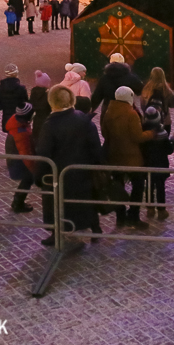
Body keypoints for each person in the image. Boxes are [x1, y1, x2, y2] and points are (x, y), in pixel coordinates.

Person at [35, 85, 104, 246]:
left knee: (56, 203)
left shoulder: (50, 125)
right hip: (82, 171)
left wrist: (39, 176)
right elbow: (95, 146)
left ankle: (56, 232)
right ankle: (95, 229)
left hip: (59, 174)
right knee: (86, 201)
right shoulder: (83, 120)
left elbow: (44, 154)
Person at [101, 86, 154, 229]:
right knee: (137, 187)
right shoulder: (131, 114)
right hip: (132, 157)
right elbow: (137, 137)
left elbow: (105, 134)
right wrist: (151, 134)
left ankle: (120, 216)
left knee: (118, 187)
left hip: (115, 155)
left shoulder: (108, 112)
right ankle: (134, 216)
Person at [140, 106, 174, 220]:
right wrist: (172, 142)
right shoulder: (162, 132)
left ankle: (150, 209)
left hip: (147, 163)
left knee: (149, 186)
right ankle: (161, 210)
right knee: (160, 187)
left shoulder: (143, 132)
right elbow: (169, 150)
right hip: (161, 164)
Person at [5, 102, 36, 213]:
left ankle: (17, 202)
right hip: (19, 161)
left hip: (16, 157)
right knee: (27, 179)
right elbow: (25, 153)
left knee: (26, 180)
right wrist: (34, 169)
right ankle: (17, 203)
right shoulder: (20, 132)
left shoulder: (17, 122)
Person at [91, 52, 143, 117]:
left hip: (108, 111)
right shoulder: (130, 77)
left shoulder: (104, 78)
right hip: (126, 111)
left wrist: (90, 110)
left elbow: (97, 97)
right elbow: (140, 91)